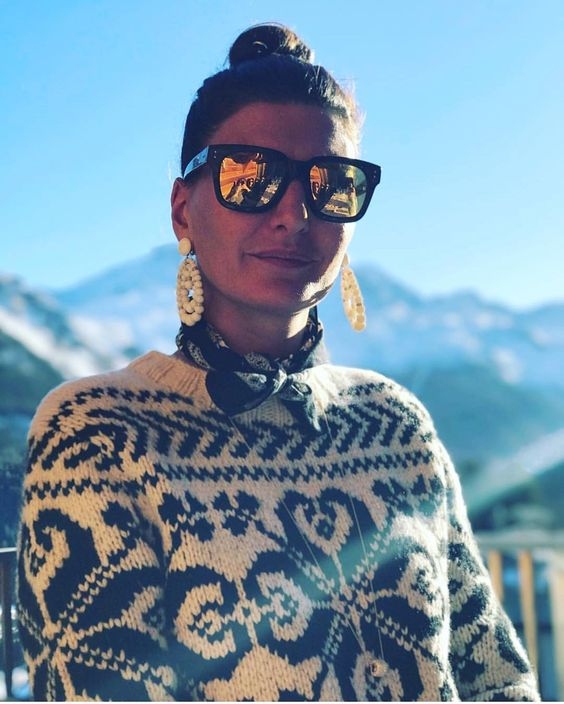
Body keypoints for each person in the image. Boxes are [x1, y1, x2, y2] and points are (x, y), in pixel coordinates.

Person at [16, 22, 539, 702]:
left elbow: (497, 677)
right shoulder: (97, 431)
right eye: (249, 176)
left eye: (332, 184)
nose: (295, 214)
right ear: (183, 209)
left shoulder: (397, 422)